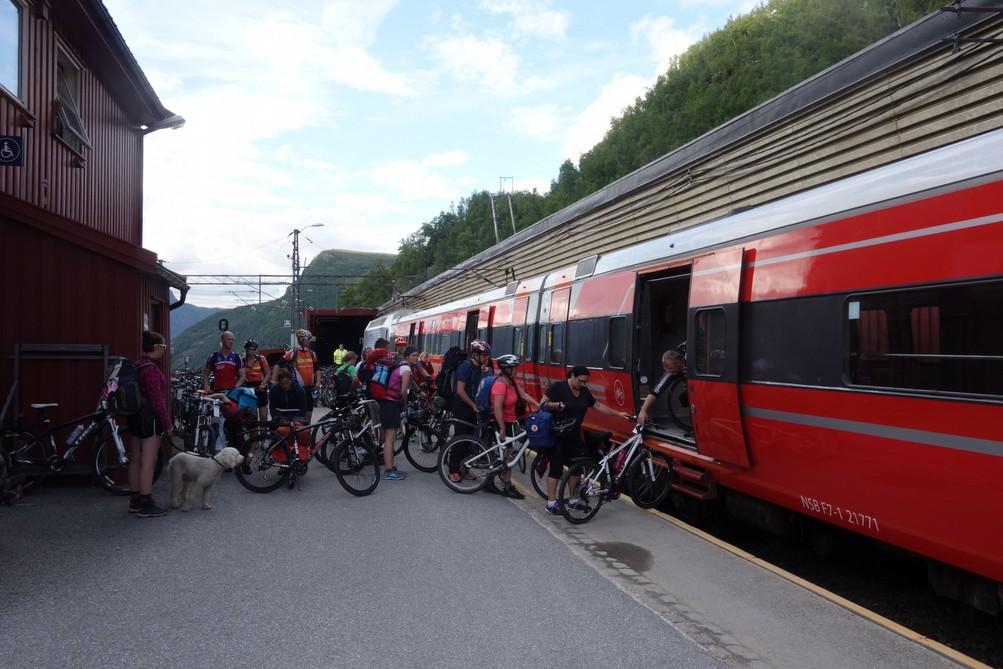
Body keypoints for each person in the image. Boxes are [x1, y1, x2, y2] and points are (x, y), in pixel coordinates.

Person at [541, 365, 632, 514]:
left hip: (574, 434)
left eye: (585, 382)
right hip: (557, 434)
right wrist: (555, 405)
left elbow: (599, 406)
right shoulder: (558, 388)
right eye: (581, 381)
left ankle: (573, 500)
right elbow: (542, 404)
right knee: (556, 469)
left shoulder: (584, 391)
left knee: (576, 468)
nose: (583, 384)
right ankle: (551, 503)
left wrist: (618, 414)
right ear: (572, 376)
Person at [128, 331, 170, 518]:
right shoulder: (151, 369)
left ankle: (135, 500)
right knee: (149, 461)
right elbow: (157, 401)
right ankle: (146, 503)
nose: (165, 350)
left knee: (136, 459)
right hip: (149, 418)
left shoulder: (137, 365)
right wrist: (167, 423)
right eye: (164, 347)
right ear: (156, 348)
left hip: (134, 416)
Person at [487, 354, 539, 499]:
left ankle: (491, 481)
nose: (516, 370)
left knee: (505, 454)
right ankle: (507, 486)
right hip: (500, 422)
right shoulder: (500, 385)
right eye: (514, 367)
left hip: (510, 421)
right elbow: (497, 407)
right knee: (507, 456)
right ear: (507, 369)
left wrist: (539, 405)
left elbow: (523, 396)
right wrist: (502, 428)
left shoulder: (512, 382)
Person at [447, 339, 492, 483]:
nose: (486, 358)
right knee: (461, 438)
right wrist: (472, 405)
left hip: (475, 407)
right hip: (462, 407)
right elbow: (460, 390)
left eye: (487, 355)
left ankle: (464, 468)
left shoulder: (482, 368)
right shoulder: (465, 367)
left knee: (472, 439)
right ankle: (453, 470)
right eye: (483, 355)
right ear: (475, 355)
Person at [379, 346, 417, 480]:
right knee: (390, 439)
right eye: (413, 355)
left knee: (390, 438)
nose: (416, 358)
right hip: (391, 404)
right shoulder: (406, 369)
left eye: (417, 355)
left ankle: (391, 467)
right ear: (406, 357)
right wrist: (405, 405)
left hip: (387, 403)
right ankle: (389, 470)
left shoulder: (399, 365)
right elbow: (403, 391)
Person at [272, 329, 318, 423]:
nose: (309, 341)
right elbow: (278, 365)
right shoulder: (293, 353)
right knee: (299, 414)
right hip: (298, 388)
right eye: (308, 339)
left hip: (310, 388)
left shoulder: (312, 354)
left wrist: (318, 382)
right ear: (301, 340)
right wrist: (273, 380)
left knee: (309, 412)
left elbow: (317, 369)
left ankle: (306, 433)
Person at [268, 369, 310, 462]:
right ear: (279, 382)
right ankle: (280, 458)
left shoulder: (299, 390)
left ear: (291, 381)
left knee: (301, 433)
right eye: (282, 383)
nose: (285, 386)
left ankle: (300, 455)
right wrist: (279, 419)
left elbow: (303, 409)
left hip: (295, 416)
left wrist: (297, 420)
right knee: (279, 432)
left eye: (287, 383)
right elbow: (272, 408)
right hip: (281, 416)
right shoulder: (274, 390)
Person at [636, 349, 686, 427]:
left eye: (670, 369)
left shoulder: (692, 360)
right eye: (666, 369)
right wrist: (643, 410)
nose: (668, 371)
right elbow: (655, 392)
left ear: (679, 364)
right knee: (683, 398)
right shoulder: (670, 373)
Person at [241, 339, 270, 421]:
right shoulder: (242, 361)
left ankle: (263, 433)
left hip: (260, 386)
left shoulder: (261, 359)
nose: (253, 351)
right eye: (250, 348)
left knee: (263, 417)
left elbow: (268, 373)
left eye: (255, 349)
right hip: (248, 387)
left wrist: (263, 384)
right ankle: (253, 433)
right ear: (246, 349)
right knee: (252, 417)